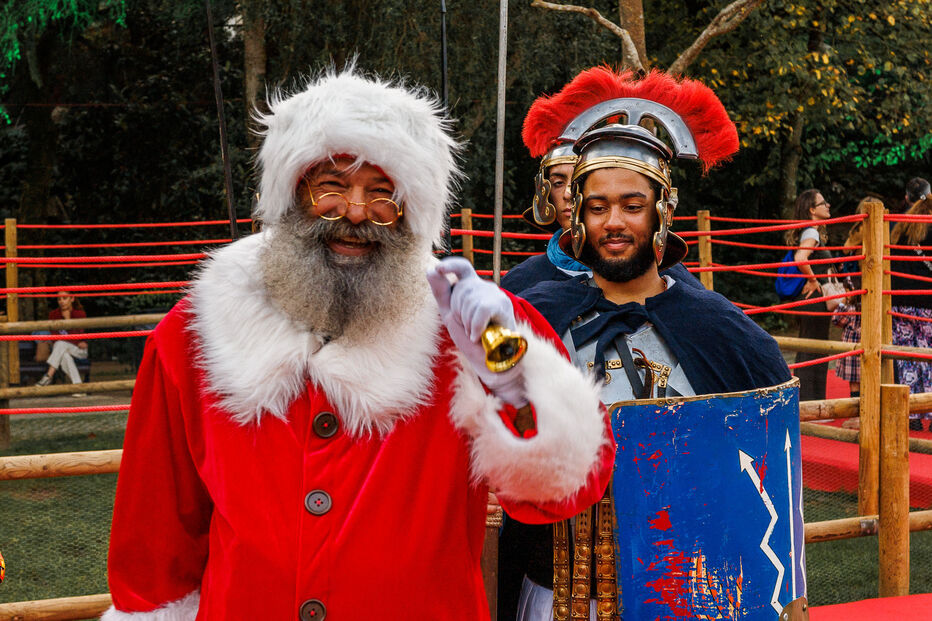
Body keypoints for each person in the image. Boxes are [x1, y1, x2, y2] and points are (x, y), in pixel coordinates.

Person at [102, 68, 615, 620]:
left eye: (382, 194)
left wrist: (507, 370)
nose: (355, 211)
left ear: (410, 210)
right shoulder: (196, 331)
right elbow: (155, 539)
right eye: (331, 186)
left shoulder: (473, 323)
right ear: (292, 193)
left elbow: (562, 490)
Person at [501, 67, 791, 619]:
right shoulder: (527, 318)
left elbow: (770, 465)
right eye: (598, 205)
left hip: (686, 591)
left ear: (662, 211)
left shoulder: (721, 330)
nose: (614, 222)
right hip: (555, 592)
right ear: (578, 217)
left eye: (632, 206)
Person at [501, 78, 705, 298]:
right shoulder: (524, 282)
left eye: (632, 206)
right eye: (559, 182)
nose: (570, 193)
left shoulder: (671, 283)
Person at [889, 178, 932, 431]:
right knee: (928, 355)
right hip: (928, 303)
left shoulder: (895, 225)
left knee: (906, 358)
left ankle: (911, 415)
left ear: (906, 198)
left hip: (901, 302)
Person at [785, 189, 833, 401]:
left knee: (810, 347)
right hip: (813, 301)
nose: (828, 205)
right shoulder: (812, 233)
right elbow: (801, 258)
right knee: (815, 348)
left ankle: (807, 401)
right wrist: (813, 280)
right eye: (823, 203)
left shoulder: (808, 231)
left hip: (810, 301)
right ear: (812, 210)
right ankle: (810, 403)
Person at [834, 197, 880, 404]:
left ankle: (858, 405)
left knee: (855, 356)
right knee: (864, 353)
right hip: (864, 295)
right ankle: (866, 404)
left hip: (856, 295)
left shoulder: (853, 236)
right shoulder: (863, 234)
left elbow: (842, 266)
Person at [35, 291, 88, 390]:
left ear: (72, 299)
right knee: (64, 355)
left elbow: (77, 337)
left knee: (60, 344)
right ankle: (79, 388)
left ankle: (48, 375)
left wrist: (68, 320)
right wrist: (70, 340)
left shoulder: (80, 314)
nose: (61, 302)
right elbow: (55, 338)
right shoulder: (53, 314)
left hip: (79, 350)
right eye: (59, 299)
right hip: (61, 350)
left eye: (64, 298)